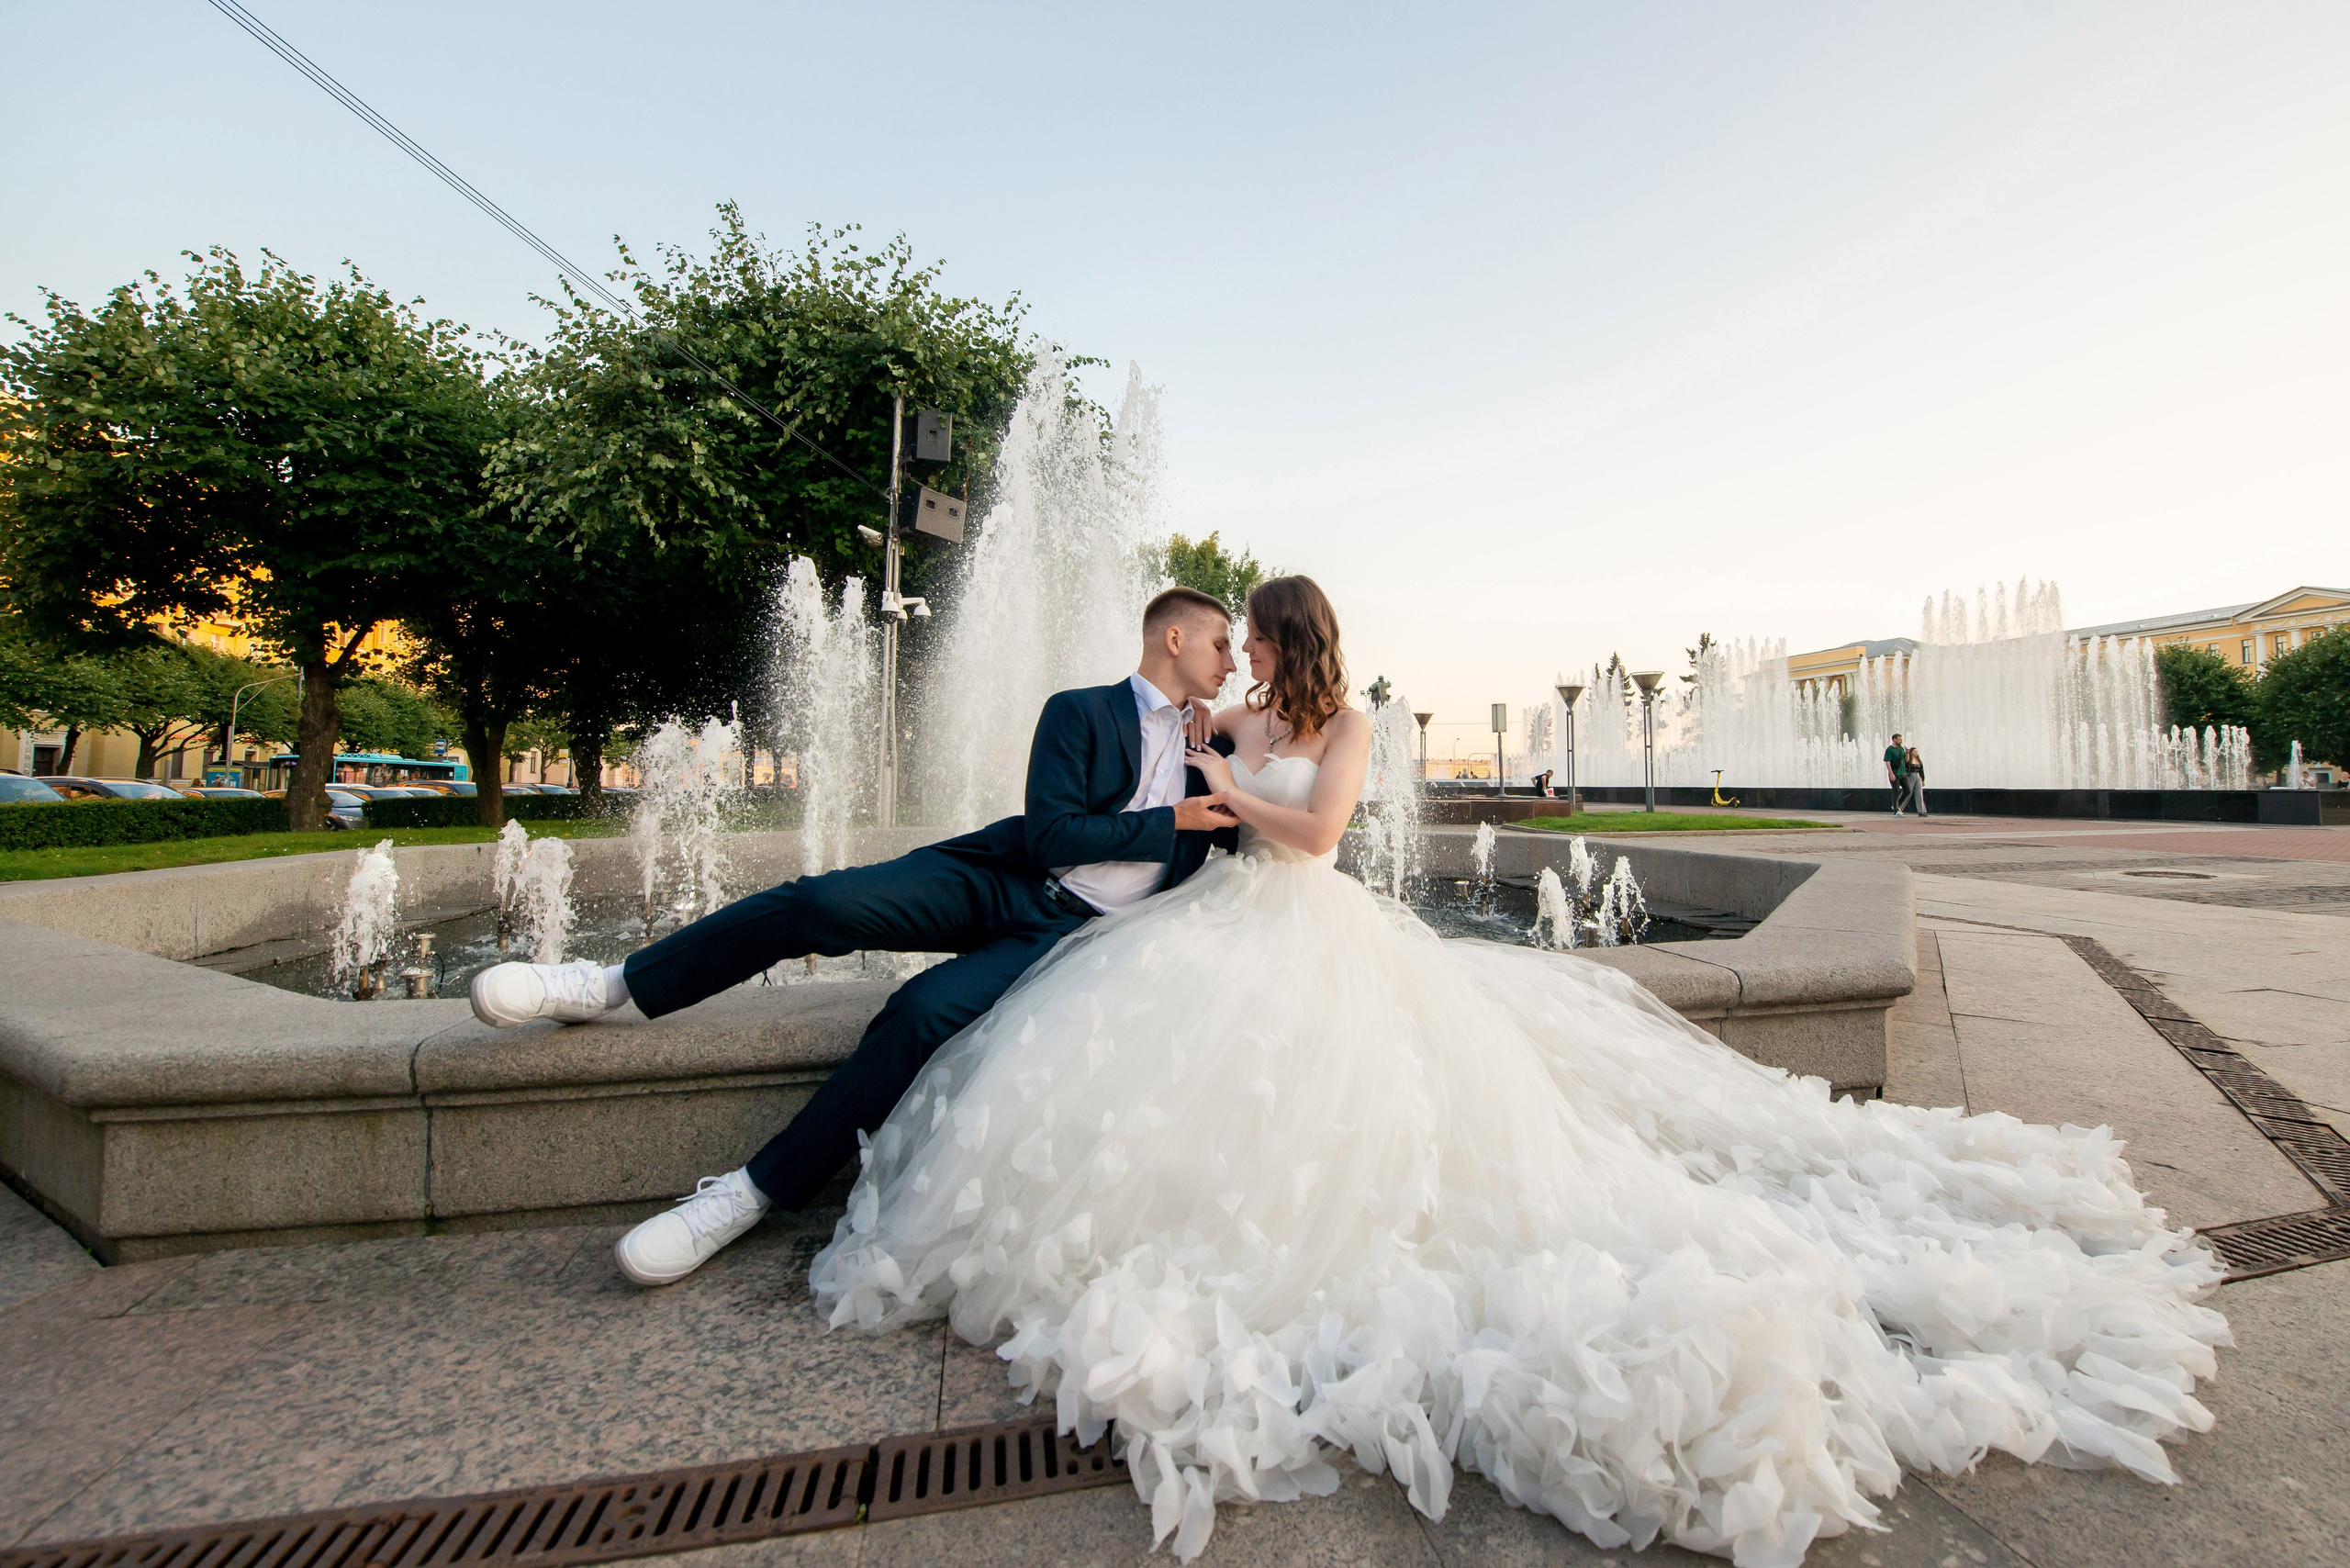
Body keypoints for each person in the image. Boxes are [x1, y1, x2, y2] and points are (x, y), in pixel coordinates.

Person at [810, 577, 2225, 1565]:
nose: (1237, 662)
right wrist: (1166, 778)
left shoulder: (1341, 730)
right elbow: (1152, 792)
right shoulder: (1227, 721)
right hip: (1211, 926)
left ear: (1294, 640)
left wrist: (1227, 793)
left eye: (1254, 641)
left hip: (1308, 923)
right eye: (1229, 646)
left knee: (1356, 1115)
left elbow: (1318, 839)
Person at [465, 585, 1243, 1284]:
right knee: (819, 903)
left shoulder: (1217, 752)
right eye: (1220, 644)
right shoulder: (1080, 710)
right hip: (1000, 876)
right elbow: (1051, 835)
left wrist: (1211, 762)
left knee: (919, 1015)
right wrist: (1169, 820)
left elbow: (1281, 798)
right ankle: (613, 985)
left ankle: (748, 1194)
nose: (1232, 662)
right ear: (1173, 639)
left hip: (1065, 937)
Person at [1883, 731, 1908, 814]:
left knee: (1907, 790)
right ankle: (1896, 811)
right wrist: (1891, 773)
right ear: (1894, 740)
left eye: (1901, 739)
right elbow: (1887, 762)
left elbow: (1906, 760)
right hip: (1895, 773)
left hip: (1903, 773)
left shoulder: (1901, 749)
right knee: (1896, 791)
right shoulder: (1889, 750)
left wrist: (1907, 752)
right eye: (1899, 739)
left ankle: (1897, 805)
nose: (1901, 741)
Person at [1906, 744, 1930, 817]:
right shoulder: (1909, 760)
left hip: (1918, 777)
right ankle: (1898, 807)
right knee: (1908, 793)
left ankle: (1921, 811)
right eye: (1915, 751)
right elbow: (1906, 764)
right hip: (1910, 776)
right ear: (1911, 752)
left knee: (1919, 794)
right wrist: (1907, 752)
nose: (1916, 753)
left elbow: (1922, 770)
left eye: (1917, 751)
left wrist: (1923, 780)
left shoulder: (1919, 761)